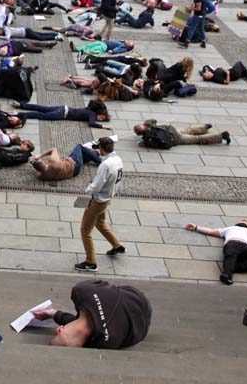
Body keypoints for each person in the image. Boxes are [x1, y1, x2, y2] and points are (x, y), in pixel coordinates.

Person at [32, 280, 151, 349]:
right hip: (136, 297)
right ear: (59, 329)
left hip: (140, 329)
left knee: (86, 325)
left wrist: (53, 314)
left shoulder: (104, 343)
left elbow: (84, 328)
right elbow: (80, 323)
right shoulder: (82, 291)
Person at [75, 136, 124, 271]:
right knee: (100, 223)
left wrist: (87, 189)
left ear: (102, 149)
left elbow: (96, 186)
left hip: (98, 200)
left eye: (99, 148)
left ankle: (91, 262)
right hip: (108, 198)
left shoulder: (105, 165)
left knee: (85, 230)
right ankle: (117, 246)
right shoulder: (117, 159)